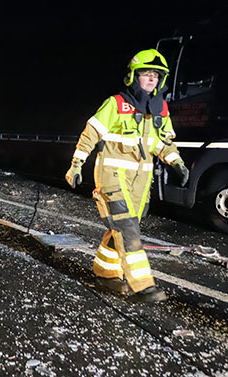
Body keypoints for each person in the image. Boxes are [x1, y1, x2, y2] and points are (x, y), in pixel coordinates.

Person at [65, 49, 190, 303]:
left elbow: (161, 143)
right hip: (112, 175)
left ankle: (105, 271)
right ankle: (142, 286)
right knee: (126, 228)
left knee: (121, 228)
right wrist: (77, 164)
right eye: (146, 74)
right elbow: (91, 134)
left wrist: (176, 163)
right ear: (133, 77)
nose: (151, 79)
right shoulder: (115, 104)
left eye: (156, 75)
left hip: (141, 183)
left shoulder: (160, 109)